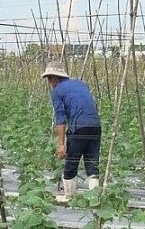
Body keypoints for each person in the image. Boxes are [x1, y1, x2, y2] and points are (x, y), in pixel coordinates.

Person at [42, 61, 101, 202]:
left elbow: (60, 118)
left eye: (49, 79)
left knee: (71, 162)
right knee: (92, 162)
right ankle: (96, 198)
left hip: (78, 127)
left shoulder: (57, 91)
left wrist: (61, 144)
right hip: (95, 125)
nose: (49, 83)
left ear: (54, 78)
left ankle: (69, 196)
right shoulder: (80, 84)